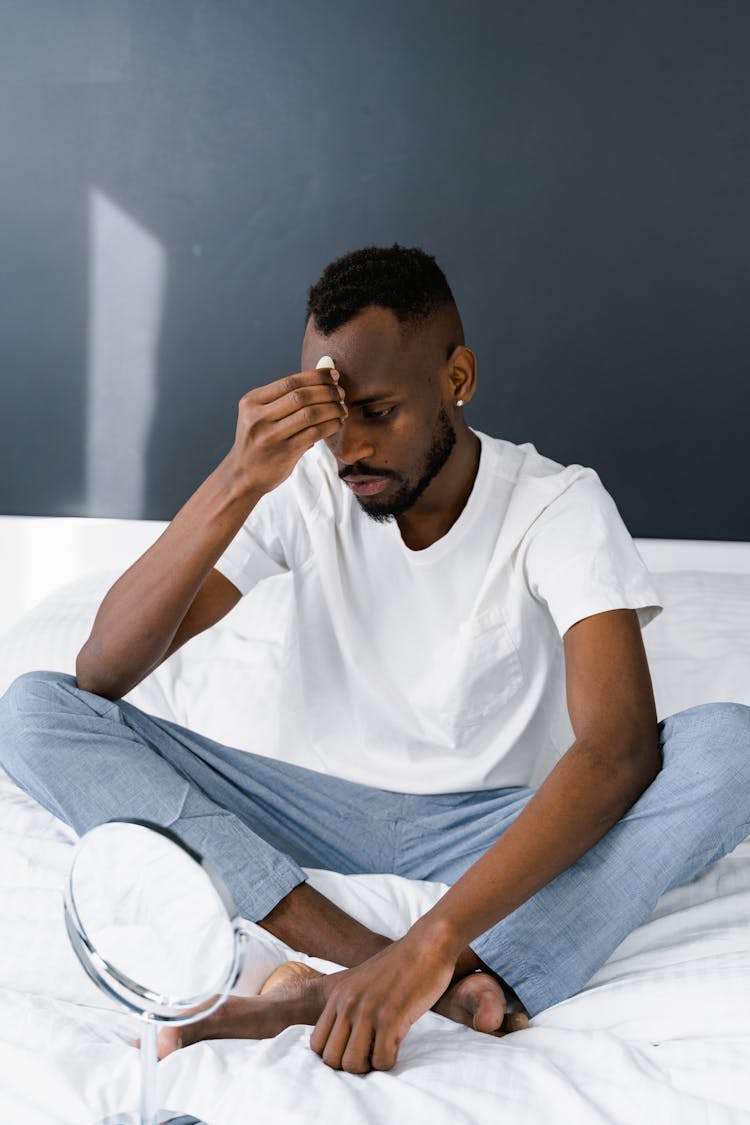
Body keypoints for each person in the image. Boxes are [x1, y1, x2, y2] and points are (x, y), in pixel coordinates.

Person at [1, 244, 748, 1076]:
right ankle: (385, 968)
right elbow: (102, 671)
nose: (348, 447)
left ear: (456, 378)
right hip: (303, 809)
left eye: (379, 411)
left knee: (732, 746)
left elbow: (619, 748)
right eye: (331, 417)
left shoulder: (557, 505)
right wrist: (238, 478)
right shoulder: (302, 489)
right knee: (34, 706)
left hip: (495, 824)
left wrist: (431, 941)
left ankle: (382, 979)